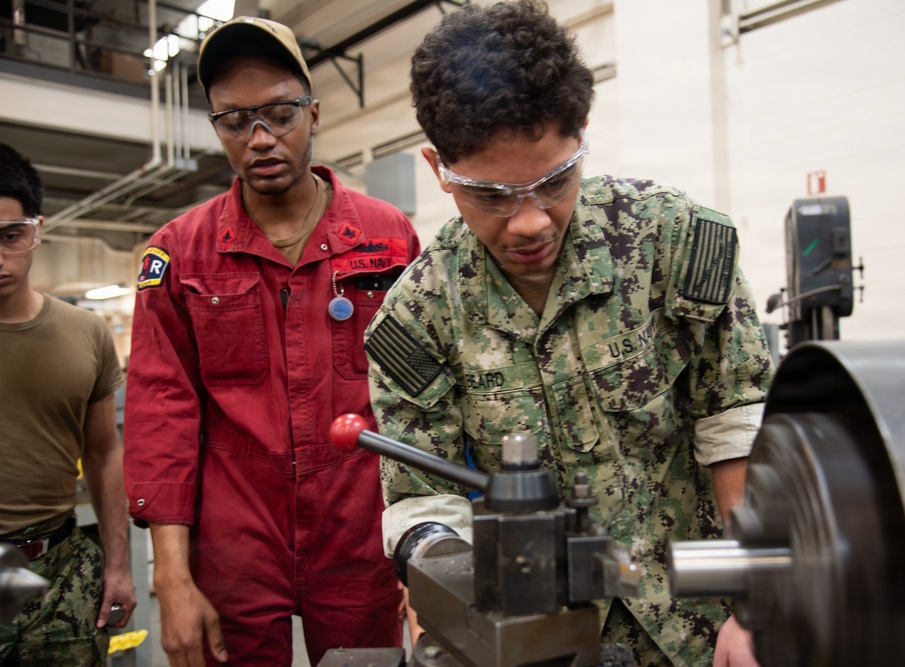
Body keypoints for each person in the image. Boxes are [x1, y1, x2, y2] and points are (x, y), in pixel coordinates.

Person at [365, 2, 774, 666]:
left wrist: (754, 604)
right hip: (539, 637)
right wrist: (446, 611)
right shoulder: (419, 315)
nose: (527, 221)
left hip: (699, 621)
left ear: (582, 133)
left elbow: (733, 420)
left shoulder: (672, 242)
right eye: (491, 194)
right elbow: (421, 496)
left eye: (553, 181)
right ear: (438, 169)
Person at [122, 16, 419, 667]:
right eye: (234, 121)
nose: (259, 139)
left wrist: (421, 548)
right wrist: (171, 578)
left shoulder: (388, 236)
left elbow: (420, 403)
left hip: (357, 535)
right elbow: (159, 412)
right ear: (217, 130)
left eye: (280, 114)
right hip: (234, 542)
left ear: (313, 113)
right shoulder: (178, 252)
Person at [0, 143, 136, 664]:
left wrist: (118, 566)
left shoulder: (85, 333)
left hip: (59, 571)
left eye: (10, 236)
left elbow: (103, 452)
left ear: (36, 230)